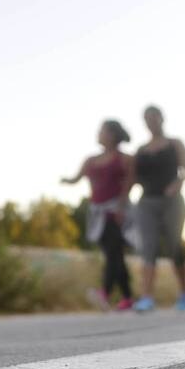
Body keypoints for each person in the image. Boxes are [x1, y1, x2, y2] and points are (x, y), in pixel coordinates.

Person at [63, 120, 136, 311]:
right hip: (97, 212)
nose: (99, 134)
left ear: (112, 135)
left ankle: (105, 292)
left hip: (115, 211)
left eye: (102, 131)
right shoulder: (91, 160)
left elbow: (129, 184)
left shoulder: (125, 159)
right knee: (114, 254)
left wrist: (121, 207)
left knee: (113, 251)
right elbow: (76, 178)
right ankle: (128, 297)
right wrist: (65, 180)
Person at [132, 105, 185, 312]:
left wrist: (177, 184)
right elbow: (133, 177)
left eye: (154, 117)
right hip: (147, 202)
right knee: (148, 247)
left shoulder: (174, 144)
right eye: (146, 118)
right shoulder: (140, 150)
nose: (151, 121)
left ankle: (184, 293)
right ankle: (147, 297)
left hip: (171, 202)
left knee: (174, 245)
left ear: (161, 118)